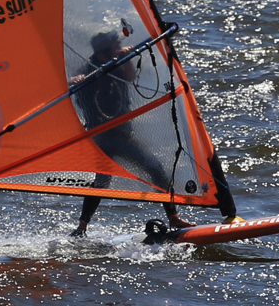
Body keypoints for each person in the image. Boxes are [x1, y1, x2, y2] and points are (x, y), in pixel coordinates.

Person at [69, 30, 240, 237]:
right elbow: (72, 87)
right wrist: (73, 81)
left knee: (102, 182)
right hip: (104, 137)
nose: (120, 48)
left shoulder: (115, 65)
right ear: (104, 52)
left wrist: (125, 58)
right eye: (116, 46)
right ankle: (173, 217)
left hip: (123, 133)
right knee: (155, 169)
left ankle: (82, 227)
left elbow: (130, 76)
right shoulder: (86, 73)